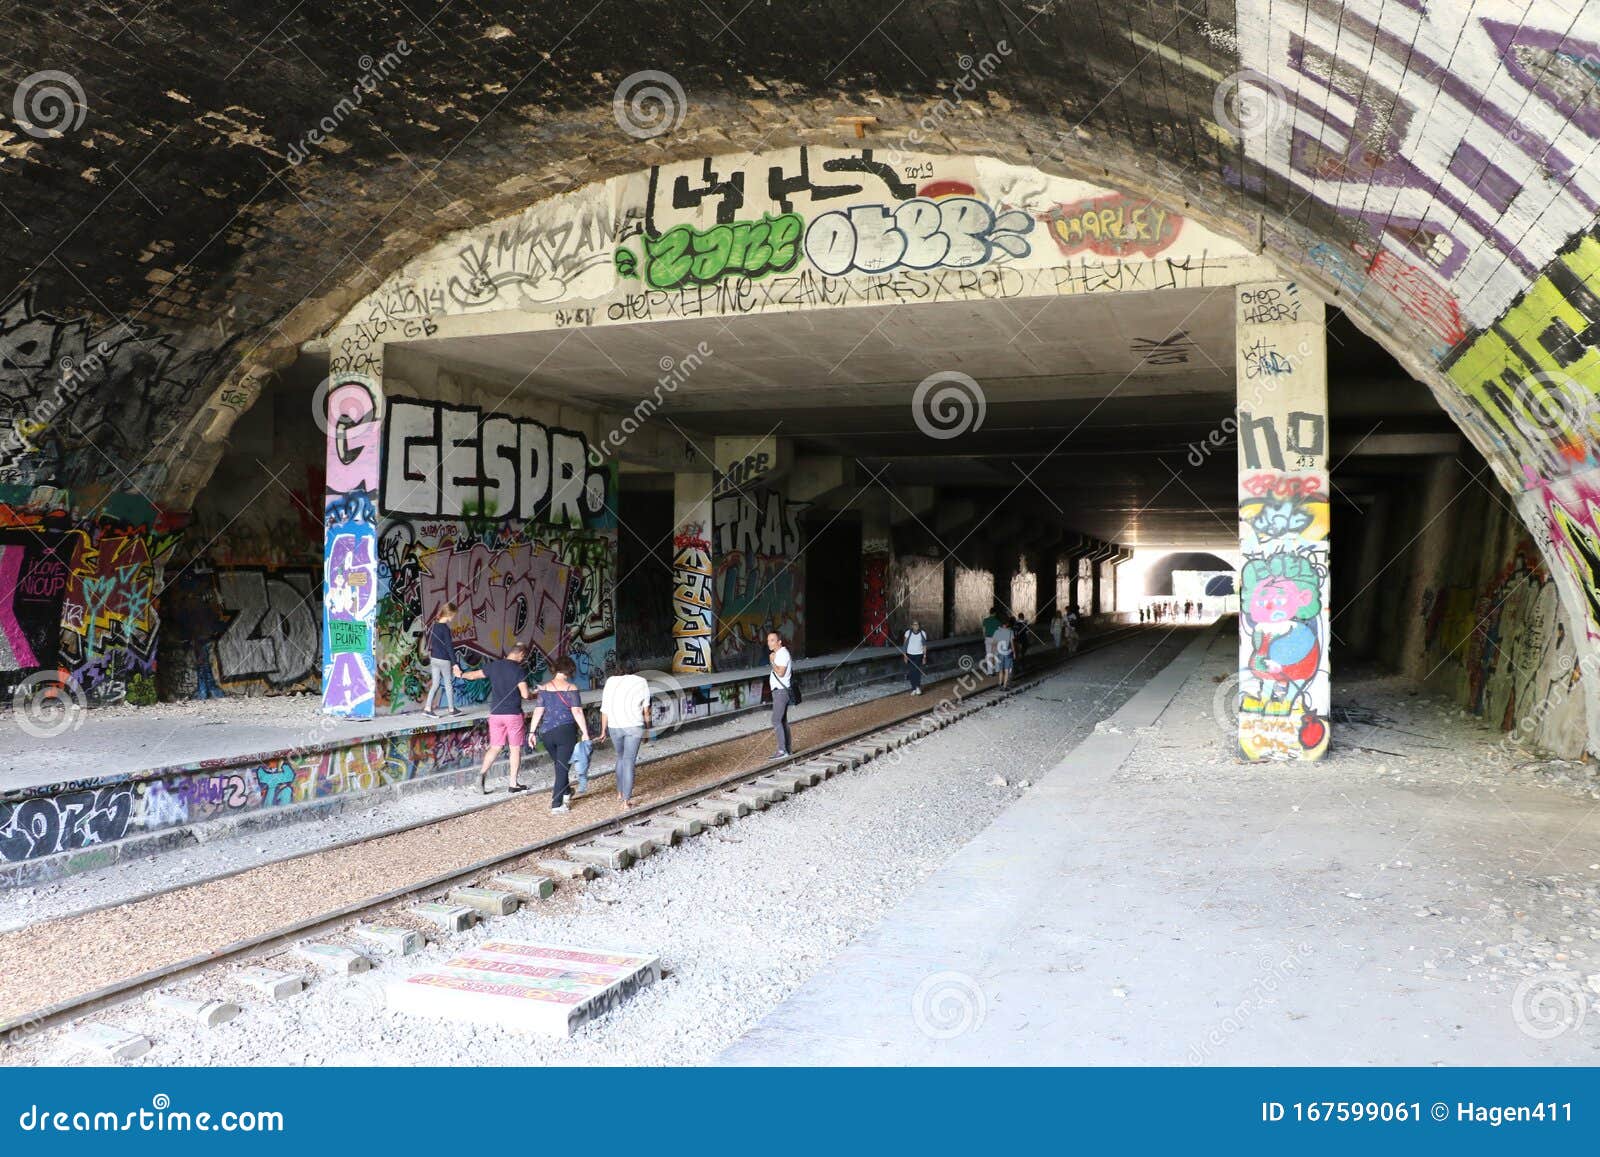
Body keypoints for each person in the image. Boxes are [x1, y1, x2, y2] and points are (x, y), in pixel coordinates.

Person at [457, 643, 532, 795]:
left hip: (496, 714)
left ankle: (481, 775)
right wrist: (534, 693)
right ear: (521, 654)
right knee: (515, 748)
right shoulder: (518, 670)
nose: (523, 660)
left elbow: (473, 675)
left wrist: (460, 674)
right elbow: (525, 695)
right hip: (513, 714)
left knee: (496, 746)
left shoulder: (494, 665)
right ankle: (513, 784)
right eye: (524, 657)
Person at [530, 656, 590, 814]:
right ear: (570, 670)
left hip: (546, 733)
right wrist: (585, 732)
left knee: (560, 764)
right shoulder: (571, 688)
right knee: (562, 768)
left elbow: (538, 711)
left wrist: (531, 732)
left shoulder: (544, 688)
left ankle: (567, 791)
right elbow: (576, 711)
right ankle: (557, 804)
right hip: (566, 732)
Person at [599, 659, 651, 809]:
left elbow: (605, 708)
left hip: (614, 726)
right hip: (634, 725)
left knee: (621, 757)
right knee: (629, 761)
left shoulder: (610, 681)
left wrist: (603, 730)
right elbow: (646, 710)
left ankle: (620, 793)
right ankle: (626, 801)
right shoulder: (641, 681)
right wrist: (647, 729)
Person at [422, 603, 459, 716]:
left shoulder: (434, 626)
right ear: (449, 614)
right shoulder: (445, 629)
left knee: (435, 684)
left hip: (434, 659)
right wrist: (455, 664)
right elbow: (449, 647)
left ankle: (427, 708)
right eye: (453, 615)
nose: (453, 617)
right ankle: (452, 709)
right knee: (448, 684)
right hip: (444, 660)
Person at [767, 630, 794, 759]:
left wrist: (772, 661)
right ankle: (787, 749)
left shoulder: (782, 654)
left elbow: (781, 673)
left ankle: (782, 750)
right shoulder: (779, 653)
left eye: (772, 640)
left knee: (776, 720)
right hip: (780, 691)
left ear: (779, 642)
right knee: (782, 720)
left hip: (781, 692)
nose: (769, 643)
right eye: (768, 640)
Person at [902, 619, 929, 694]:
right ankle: (913, 688)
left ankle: (917, 687)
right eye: (914, 624)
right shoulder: (908, 633)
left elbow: (924, 645)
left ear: (919, 626)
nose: (916, 626)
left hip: (919, 654)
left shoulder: (923, 633)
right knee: (911, 672)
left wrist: (924, 656)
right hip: (910, 654)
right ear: (912, 626)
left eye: (917, 624)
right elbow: (904, 645)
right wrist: (904, 655)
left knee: (916, 670)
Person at [992, 616, 1016, 688]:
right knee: (1007, 670)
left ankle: (1000, 683)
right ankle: (1005, 686)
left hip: (999, 653)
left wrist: (993, 653)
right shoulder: (1010, 632)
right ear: (1007, 624)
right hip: (1008, 653)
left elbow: (994, 644)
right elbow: (1012, 643)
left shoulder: (996, 632)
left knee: (1000, 670)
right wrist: (1014, 653)